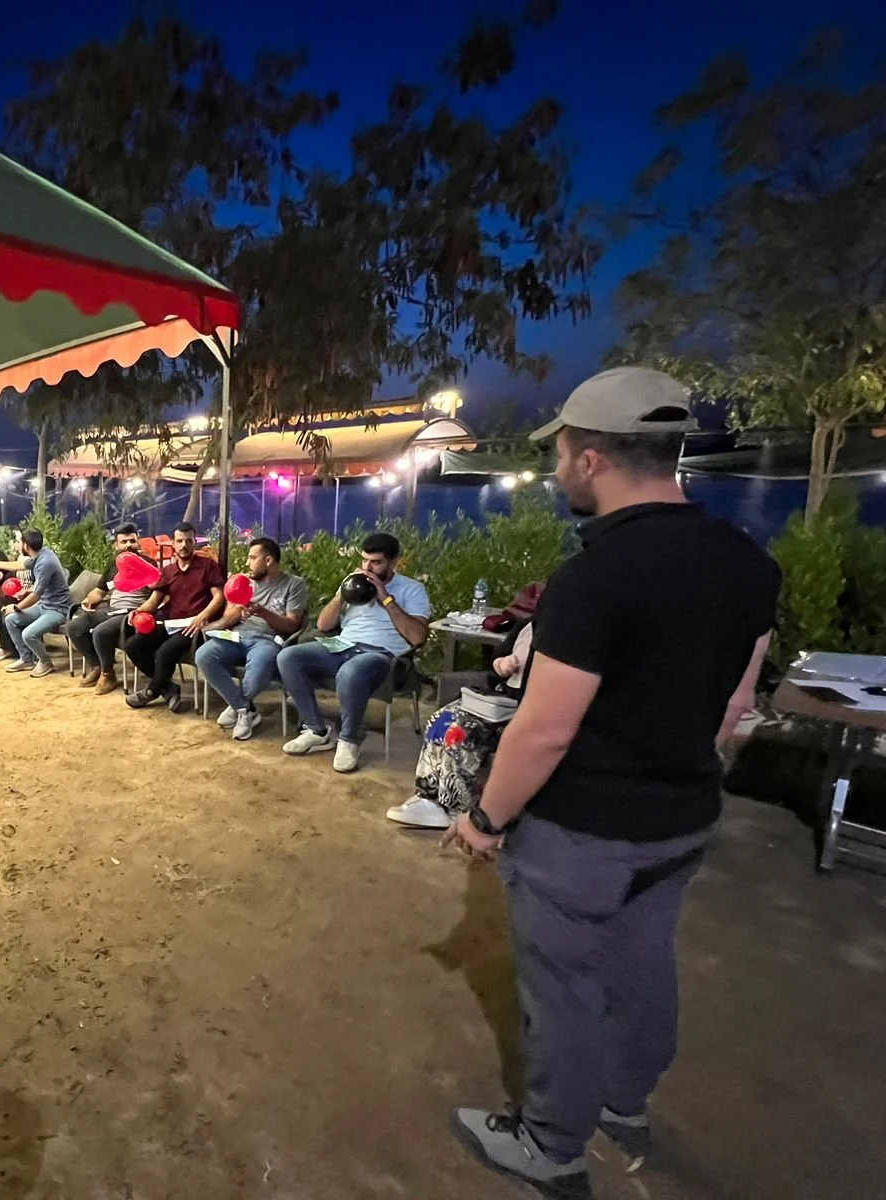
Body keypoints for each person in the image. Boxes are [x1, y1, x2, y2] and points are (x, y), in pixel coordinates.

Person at [444, 367, 782, 1199]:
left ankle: (551, 1145)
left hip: (584, 832)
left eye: (560, 451)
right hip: (683, 819)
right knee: (641, 963)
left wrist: (485, 818)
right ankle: (625, 1107)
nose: (559, 467)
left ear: (590, 457)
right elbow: (735, 703)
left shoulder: (595, 579)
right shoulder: (747, 564)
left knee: (561, 988)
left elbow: (547, 728)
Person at [275, 532, 431, 772]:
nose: (367, 567)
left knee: (350, 671)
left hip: (380, 654)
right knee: (288, 656)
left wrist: (386, 599)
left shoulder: (412, 589)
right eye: (364, 560)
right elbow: (324, 626)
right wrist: (341, 595)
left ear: (394, 562)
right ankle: (317, 730)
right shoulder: (353, 581)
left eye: (376, 562)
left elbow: (418, 637)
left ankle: (349, 740)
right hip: (342, 644)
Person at [387, 620, 535, 829]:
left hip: (525, 708)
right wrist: (502, 664)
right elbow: (496, 659)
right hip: (498, 697)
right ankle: (428, 796)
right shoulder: (526, 626)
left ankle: (455, 808)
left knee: (461, 732)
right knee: (441, 719)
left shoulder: (565, 638)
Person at [194, 537, 308, 740]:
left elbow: (292, 625)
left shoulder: (293, 585)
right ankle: (245, 710)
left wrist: (262, 612)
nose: (248, 563)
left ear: (269, 560)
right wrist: (219, 621)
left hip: (268, 639)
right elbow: (229, 617)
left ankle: (238, 707)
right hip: (237, 635)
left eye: (252, 558)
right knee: (203, 655)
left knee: (256, 674)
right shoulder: (244, 583)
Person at [123, 522, 224, 713]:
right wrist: (139, 611)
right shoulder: (168, 571)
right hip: (172, 623)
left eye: (188, 541)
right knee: (133, 645)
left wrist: (203, 617)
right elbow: (155, 600)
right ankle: (168, 688)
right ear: (173, 544)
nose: (184, 545)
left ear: (194, 543)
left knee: (164, 652)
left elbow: (219, 596)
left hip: (195, 628)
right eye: (180, 541)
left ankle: (152, 691)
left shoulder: (207, 566)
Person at [66, 523, 154, 693]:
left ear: (138, 542)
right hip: (111, 610)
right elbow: (99, 592)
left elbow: (159, 594)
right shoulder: (113, 565)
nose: (128, 545)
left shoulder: (148, 564)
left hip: (133, 614)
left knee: (100, 631)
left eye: (132, 541)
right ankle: (97, 666)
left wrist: (143, 610)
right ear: (116, 545)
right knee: (74, 627)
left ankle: (109, 675)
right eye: (123, 542)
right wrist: (87, 601)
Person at [1, 529, 71, 678]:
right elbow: (19, 565)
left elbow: (36, 595)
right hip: (44, 604)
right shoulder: (40, 555)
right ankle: (26, 659)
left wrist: (16, 607)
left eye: (19, 542)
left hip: (57, 609)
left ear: (26, 546)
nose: (17, 545)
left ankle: (45, 662)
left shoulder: (45, 562)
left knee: (28, 634)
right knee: (11, 620)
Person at [0, 530, 29, 663]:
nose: (15, 544)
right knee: (1, 608)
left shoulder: (33, 560)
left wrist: (26, 593)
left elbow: (39, 585)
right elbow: (9, 575)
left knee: (5, 609)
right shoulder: (21, 558)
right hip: (19, 593)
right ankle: (8, 647)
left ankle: (13, 648)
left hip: (33, 596)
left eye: (17, 541)